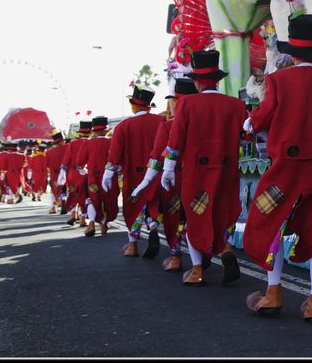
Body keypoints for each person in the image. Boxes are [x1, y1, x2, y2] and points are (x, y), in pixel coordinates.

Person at [242, 13, 312, 322]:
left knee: (269, 223)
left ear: (290, 52)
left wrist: (248, 125)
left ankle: (273, 293)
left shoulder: (277, 80)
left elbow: (260, 120)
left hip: (285, 170)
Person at [162, 49, 249, 286]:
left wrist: (168, 168)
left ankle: (197, 269)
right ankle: (228, 248)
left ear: (197, 81)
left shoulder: (187, 103)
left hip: (196, 173)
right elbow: (244, 138)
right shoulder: (236, 104)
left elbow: (176, 140)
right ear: (218, 80)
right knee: (223, 211)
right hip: (226, 170)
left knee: (195, 217)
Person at [130, 78, 199, 272]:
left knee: (175, 217)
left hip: (172, 177)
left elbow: (159, 153)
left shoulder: (167, 125)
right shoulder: (203, 122)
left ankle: (176, 256)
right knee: (200, 216)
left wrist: (147, 178)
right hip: (203, 177)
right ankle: (214, 253)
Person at [104, 86, 164, 258]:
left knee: (133, 207)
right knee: (154, 204)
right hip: (159, 172)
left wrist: (109, 174)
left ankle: (132, 245)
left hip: (134, 173)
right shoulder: (162, 120)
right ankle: (153, 226)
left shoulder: (123, 126)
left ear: (134, 105)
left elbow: (115, 154)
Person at [82, 116, 119, 237]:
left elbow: (80, 161)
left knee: (92, 199)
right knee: (108, 198)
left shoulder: (88, 143)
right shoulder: (113, 141)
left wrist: (81, 168)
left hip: (94, 176)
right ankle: (104, 223)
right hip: (110, 176)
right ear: (107, 130)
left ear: (93, 131)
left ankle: (91, 224)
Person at [60, 120, 92, 225]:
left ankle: (73, 214)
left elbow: (67, 158)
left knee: (73, 193)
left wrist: (63, 171)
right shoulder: (91, 143)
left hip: (73, 173)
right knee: (85, 195)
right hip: (86, 172)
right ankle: (83, 218)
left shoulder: (73, 143)